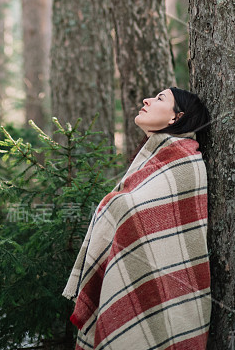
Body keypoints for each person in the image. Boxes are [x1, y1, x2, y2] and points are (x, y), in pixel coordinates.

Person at [62, 87, 211, 350]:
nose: (147, 100)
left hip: (168, 292)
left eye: (160, 98)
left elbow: (143, 215)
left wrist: (115, 203)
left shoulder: (185, 160)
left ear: (176, 118)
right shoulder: (156, 155)